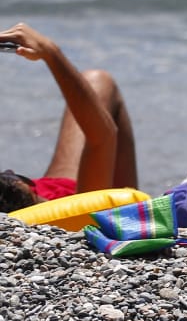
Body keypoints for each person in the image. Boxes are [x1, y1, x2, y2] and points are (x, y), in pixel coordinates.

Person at [0, 23, 139, 213]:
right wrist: (50, 53)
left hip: (55, 185)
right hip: (83, 196)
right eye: (13, 177)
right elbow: (103, 136)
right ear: (32, 196)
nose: (9, 171)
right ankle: (135, 214)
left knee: (98, 82)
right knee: (98, 81)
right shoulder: (83, 204)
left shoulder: (23, 200)